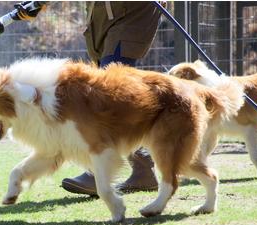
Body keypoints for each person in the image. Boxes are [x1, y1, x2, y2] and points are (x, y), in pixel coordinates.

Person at [15, 1, 162, 196]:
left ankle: (98, 173)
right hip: (103, 13)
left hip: (131, 12)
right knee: (110, 92)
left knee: (109, 93)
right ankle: (143, 171)